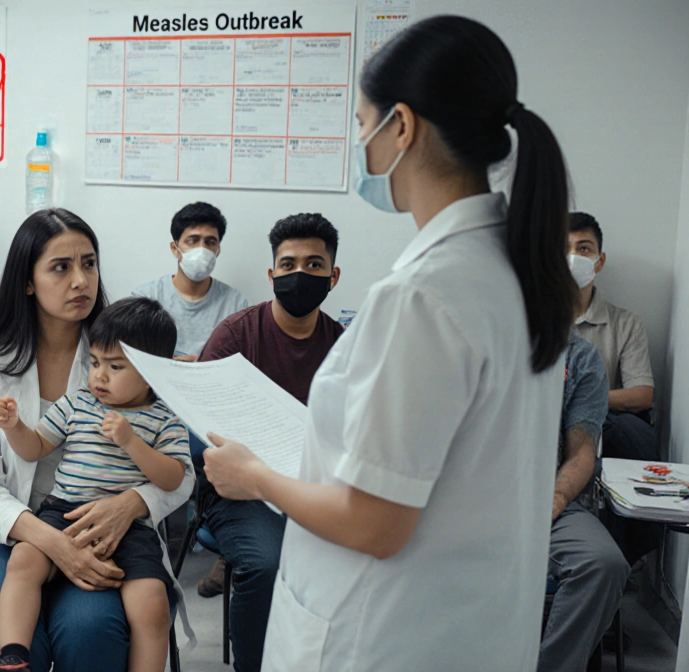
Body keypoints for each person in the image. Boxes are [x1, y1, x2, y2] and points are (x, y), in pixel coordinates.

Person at [201, 16, 580, 671]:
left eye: (360, 124)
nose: (360, 145)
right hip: (466, 624)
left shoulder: (424, 296)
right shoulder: (518, 274)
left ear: (400, 128)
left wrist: (254, 474)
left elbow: (375, 524)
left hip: (386, 634)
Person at [0, 209, 193, 672]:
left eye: (89, 264)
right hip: (3, 535)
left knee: (92, 635)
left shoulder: (123, 356)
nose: (80, 281)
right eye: (61, 268)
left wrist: (131, 503)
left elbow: (181, 474)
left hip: (101, 533)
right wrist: (53, 542)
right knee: (20, 646)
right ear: (27, 281)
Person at [0, 297, 192, 672]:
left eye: (115, 367)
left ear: (152, 373)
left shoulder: (165, 420)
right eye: (95, 362)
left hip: (128, 528)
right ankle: (13, 655)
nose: (99, 375)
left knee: (152, 604)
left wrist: (132, 442)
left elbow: (174, 478)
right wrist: (15, 427)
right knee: (24, 561)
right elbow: (34, 448)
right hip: (62, 512)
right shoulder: (78, 403)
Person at [190, 213, 345, 671]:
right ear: (272, 273)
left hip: (313, 487)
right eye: (289, 263)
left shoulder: (345, 348)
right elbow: (200, 434)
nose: (301, 275)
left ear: (333, 277)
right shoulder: (235, 336)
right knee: (266, 562)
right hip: (239, 490)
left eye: (315, 265)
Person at [540, 334, 629, 672]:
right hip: (470, 504)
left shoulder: (579, 358)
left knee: (603, 564)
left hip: (550, 500)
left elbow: (581, 453)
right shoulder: (466, 340)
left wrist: (556, 499)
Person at [567, 212, 658, 462]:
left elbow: (641, 394)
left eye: (583, 249)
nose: (573, 257)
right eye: (564, 249)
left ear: (599, 261)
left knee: (632, 432)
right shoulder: (532, 322)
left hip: (603, 430)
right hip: (547, 427)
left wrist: (583, 399)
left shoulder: (627, 323)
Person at [132, 202, 248, 361]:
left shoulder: (236, 305)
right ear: (175, 248)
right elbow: (131, 357)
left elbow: (241, 363)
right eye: (192, 240)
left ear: (218, 250)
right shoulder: (145, 298)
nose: (202, 249)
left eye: (210, 242)